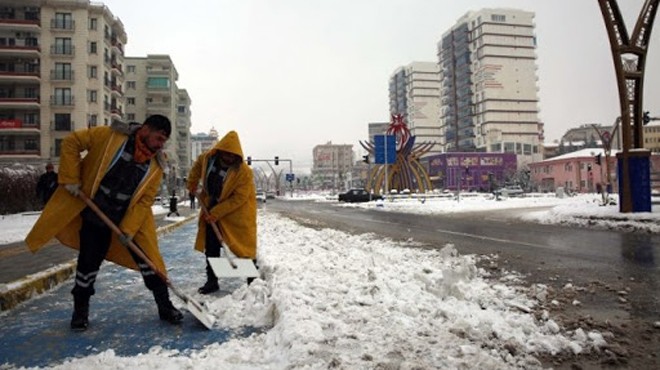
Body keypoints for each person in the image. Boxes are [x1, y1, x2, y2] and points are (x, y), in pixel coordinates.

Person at [25, 115, 183, 331]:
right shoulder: (109, 137)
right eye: (158, 138)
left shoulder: (155, 165)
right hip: (96, 214)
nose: (159, 145)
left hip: (131, 218)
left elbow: (145, 201)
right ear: (145, 130)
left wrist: (128, 229)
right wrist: (70, 178)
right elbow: (72, 141)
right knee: (88, 264)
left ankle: (165, 306)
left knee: (151, 262)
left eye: (163, 141)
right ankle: (80, 311)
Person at [187, 130, 257, 294]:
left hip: (237, 213)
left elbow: (238, 198)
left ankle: (252, 282)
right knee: (211, 246)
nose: (229, 158)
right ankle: (212, 281)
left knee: (244, 247)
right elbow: (197, 167)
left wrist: (217, 212)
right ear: (220, 151)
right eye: (226, 154)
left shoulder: (244, 172)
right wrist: (192, 182)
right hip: (211, 206)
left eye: (232, 156)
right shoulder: (207, 159)